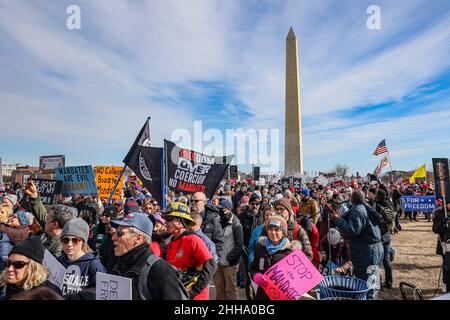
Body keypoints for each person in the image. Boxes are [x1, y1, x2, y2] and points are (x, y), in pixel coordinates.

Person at [110, 211, 185, 299]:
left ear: (138, 238)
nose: (113, 237)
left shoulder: (160, 270)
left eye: (119, 233)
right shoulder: (119, 262)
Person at [331, 190, 383, 299]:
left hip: (367, 251)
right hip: (372, 248)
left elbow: (353, 230)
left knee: (367, 283)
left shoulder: (358, 211)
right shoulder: (365, 207)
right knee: (372, 280)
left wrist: (337, 220)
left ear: (352, 199)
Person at [164, 202, 217, 300]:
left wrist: (195, 291)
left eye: (169, 219)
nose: (165, 222)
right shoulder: (172, 242)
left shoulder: (193, 240)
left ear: (180, 221)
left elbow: (211, 265)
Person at [250, 215, 301, 300]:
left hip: (282, 296)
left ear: (283, 232)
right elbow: (253, 268)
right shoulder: (260, 248)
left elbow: (297, 280)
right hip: (262, 295)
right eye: (270, 229)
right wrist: (255, 276)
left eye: (277, 230)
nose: (273, 233)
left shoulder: (290, 253)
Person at [57, 218, 105, 298]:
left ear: (83, 241)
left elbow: (100, 291)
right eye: (65, 240)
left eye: (75, 240)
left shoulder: (93, 264)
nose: (69, 244)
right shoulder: (58, 261)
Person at [214, 199, 243, 300]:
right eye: (219, 209)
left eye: (222, 209)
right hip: (218, 262)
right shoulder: (218, 221)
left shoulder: (236, 223)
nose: (220, 211)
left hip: (230, 264)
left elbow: (239, 245)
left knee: (231, 289)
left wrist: (230, 257)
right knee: (219, 288)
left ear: (229, 209)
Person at [190, 192, 224, 259]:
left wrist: (214, 262)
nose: (193, 202)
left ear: (205, 202)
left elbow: (219, 243)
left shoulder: (213, 219)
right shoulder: (187, 216)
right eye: (191, 200)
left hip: (206, 261)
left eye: (196, 201)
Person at [375, 189, 395, 289]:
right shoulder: (389, 204)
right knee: (386, 260)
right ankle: (389, 282)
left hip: (379, 235)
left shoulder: (376, 205)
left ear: (378, 196)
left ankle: (379, 283)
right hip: (387, 234)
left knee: (377, 260)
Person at [432, 202, 450, 292]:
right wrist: (443, 222)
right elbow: (435, 229)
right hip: (445, 244)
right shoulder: (439, 213)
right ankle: (446, 284)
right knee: (447, 266)